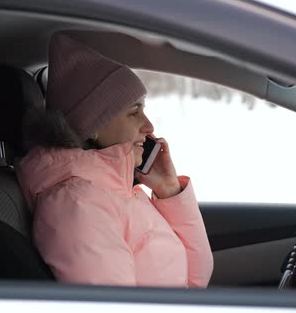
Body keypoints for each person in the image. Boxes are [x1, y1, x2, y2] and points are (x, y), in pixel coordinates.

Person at [16, 31, 214, 288]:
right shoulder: (77, 205)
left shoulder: (117, 190)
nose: (149, 126)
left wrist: (168, 189)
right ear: (93, 126)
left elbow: (195, 282)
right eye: (134, 113)